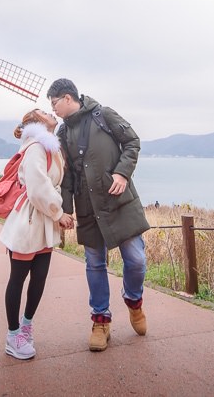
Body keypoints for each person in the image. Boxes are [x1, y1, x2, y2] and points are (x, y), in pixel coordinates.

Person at [47, 78, 150, 352]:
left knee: (136, 260)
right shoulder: (61, 134)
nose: (53, 109)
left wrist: (122, 172)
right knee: (94, 264)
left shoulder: (103, 115)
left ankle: (133, 300)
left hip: (119, 200)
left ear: (68, 98)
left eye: (54, 103)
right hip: (87, 206)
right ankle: (100, 320)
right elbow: (67, 175)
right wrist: (64, 211)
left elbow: (132, 142)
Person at [0, 109, 75, 360]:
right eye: (44, 111)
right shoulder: (35, 148)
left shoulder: (50, 148)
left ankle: (26, 326)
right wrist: (58, 213)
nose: (50, 111)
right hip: (29, 220)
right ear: (37, 122)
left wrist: (57, 213)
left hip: (43, 220)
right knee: (18, 278)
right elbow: (37, 187)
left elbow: (51, 184)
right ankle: (13, 335)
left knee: (40, 277)